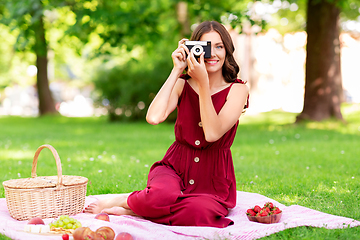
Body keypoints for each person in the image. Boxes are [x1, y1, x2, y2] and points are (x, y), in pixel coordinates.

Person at [84, 20, 249, 228]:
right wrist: (176, 71)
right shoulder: (183, 84)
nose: (213, 54)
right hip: (175, 167)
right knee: (162, 195)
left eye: (219, 46)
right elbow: (154, 117)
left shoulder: (238, 90)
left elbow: (212, 134)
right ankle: (133, 201)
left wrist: (204, 83)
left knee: (201, 213)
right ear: (194, 50)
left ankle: (135, 209)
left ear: (227, 50)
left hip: (212, 179)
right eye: (206, 47)